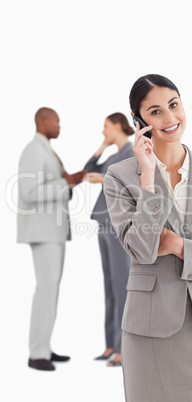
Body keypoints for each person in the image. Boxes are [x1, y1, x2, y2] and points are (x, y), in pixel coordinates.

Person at [103, 75, 192, 400]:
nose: (170, 118)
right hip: (148, 332)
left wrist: (180, 247)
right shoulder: (119, 177)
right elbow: (141, 251)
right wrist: (147, 178)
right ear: (138, 121)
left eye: (174, 105)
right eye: (155, 112)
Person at [17, 107, 85, 371]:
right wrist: (65, 182)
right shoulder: (34, 150)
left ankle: (43, 347)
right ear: (43, 122)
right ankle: (37, 354)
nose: (59, 126)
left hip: (51, 231)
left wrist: (68, 182)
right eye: (56, 121)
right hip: (43, 231)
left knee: (50, 291)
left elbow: (50, 185)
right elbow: (29, 191)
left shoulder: (46, 149)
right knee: (46, 290)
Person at [83, 112, 134, 367]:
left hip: (118, 223)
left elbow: (133, 183)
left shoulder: (131, 152)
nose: (103, 131)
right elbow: (86, 171)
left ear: (117, 125)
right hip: (103, 222)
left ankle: (125, 349)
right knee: (109, 286)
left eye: (106, 128)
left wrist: (104, 179)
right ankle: (111, 344)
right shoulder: (113, 155)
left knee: (121, 283)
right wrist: (102, 147)